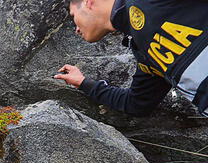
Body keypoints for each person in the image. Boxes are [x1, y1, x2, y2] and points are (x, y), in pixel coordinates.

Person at [54, 0, 208, 117]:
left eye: (73, 16)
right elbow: (136, 103)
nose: (76, 30)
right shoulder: (144, 52)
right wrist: (83, 83)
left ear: (88, 2)